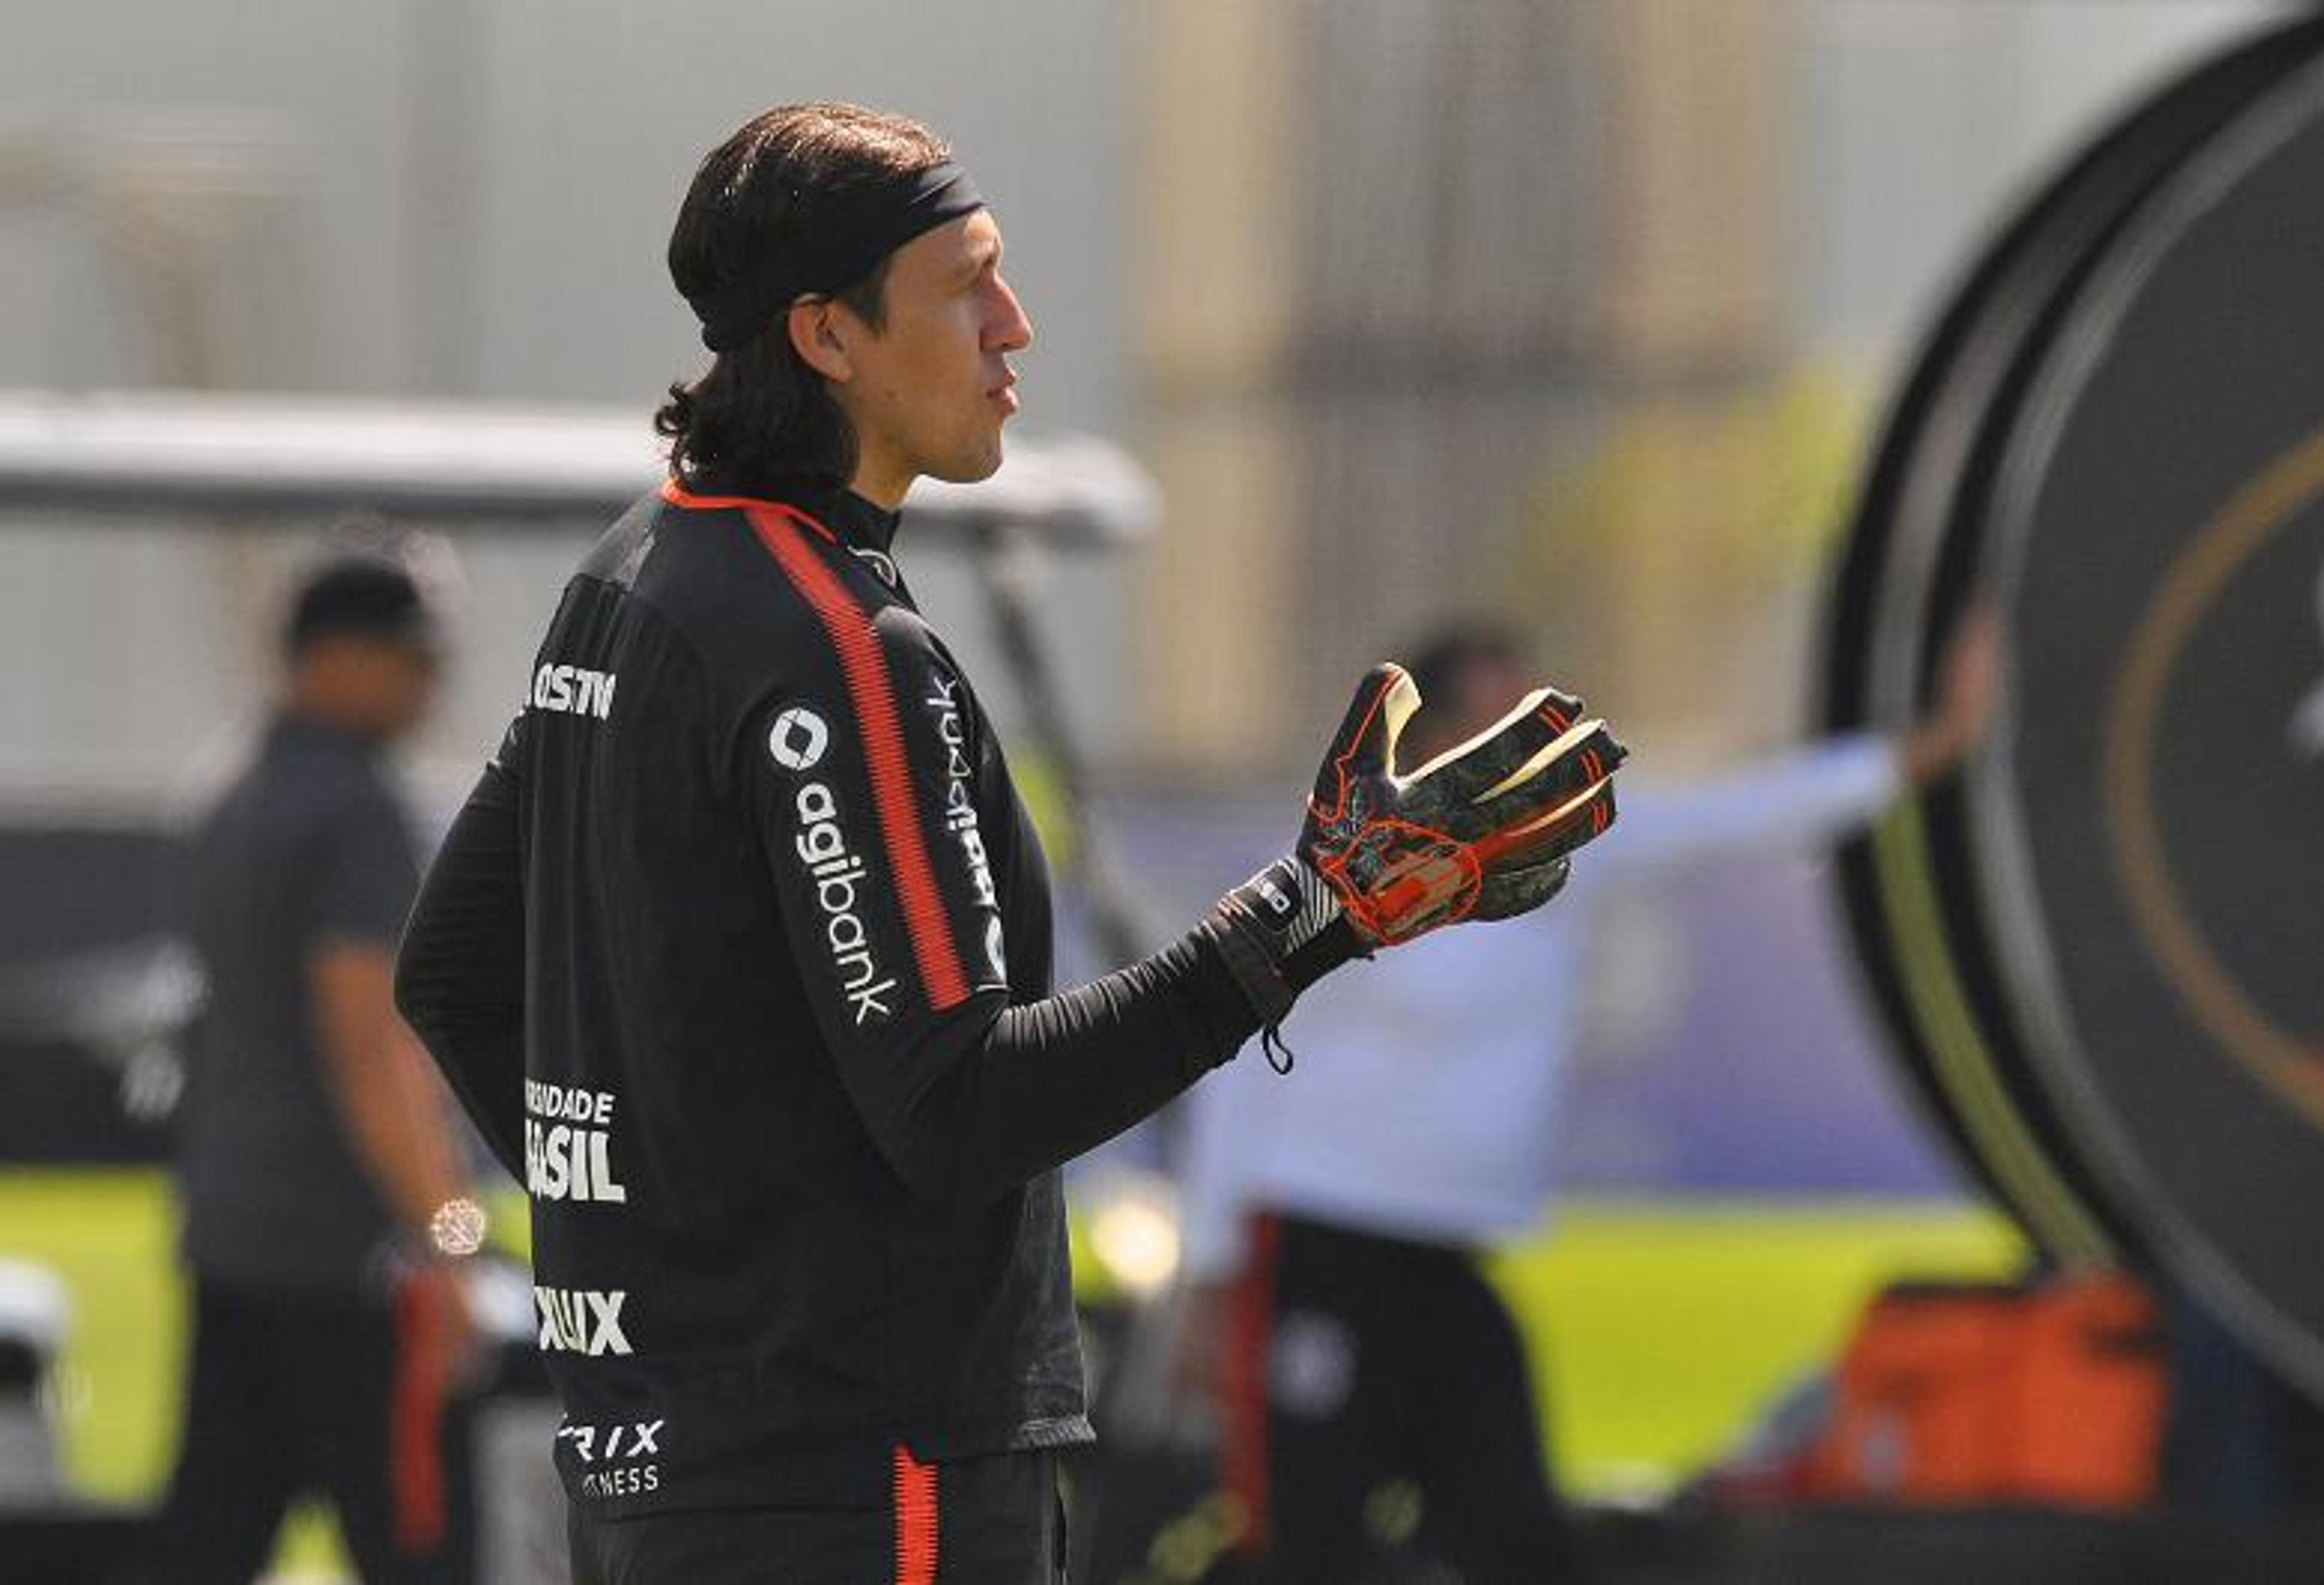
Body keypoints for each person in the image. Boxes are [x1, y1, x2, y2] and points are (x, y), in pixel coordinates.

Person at [392, 101, 1625, 1585]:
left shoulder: (632, 576)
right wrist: (1318, 912)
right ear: (828, 337)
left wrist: (693, 1270)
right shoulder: (842, 652)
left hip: (674, 1469)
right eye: (966, 282)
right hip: (867, 1482)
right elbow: (959, 1106)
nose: (1016, 325)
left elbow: (453, 970)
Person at [1176, 610, 2002, 1585]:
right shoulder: (1334, 871)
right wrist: (1210, 1268)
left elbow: (1753, 812)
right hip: (1322, 1248)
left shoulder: (1572, 853)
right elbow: (1231, 1065)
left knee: (1514, 1538)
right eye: (1498, 723)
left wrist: (1941, 741)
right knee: (1305, 1546)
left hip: (1452, 1256)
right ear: (1430, 740)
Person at [132, 556, 483, 1585]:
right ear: (333, 658)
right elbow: (371, 1050)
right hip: (354, 1265)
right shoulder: (354, 811)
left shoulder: (230, 789)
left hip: (235, 1236)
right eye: (414, 659)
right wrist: (453, 1239)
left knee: (210, 1542)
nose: (433, 685)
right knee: (422, 1550)